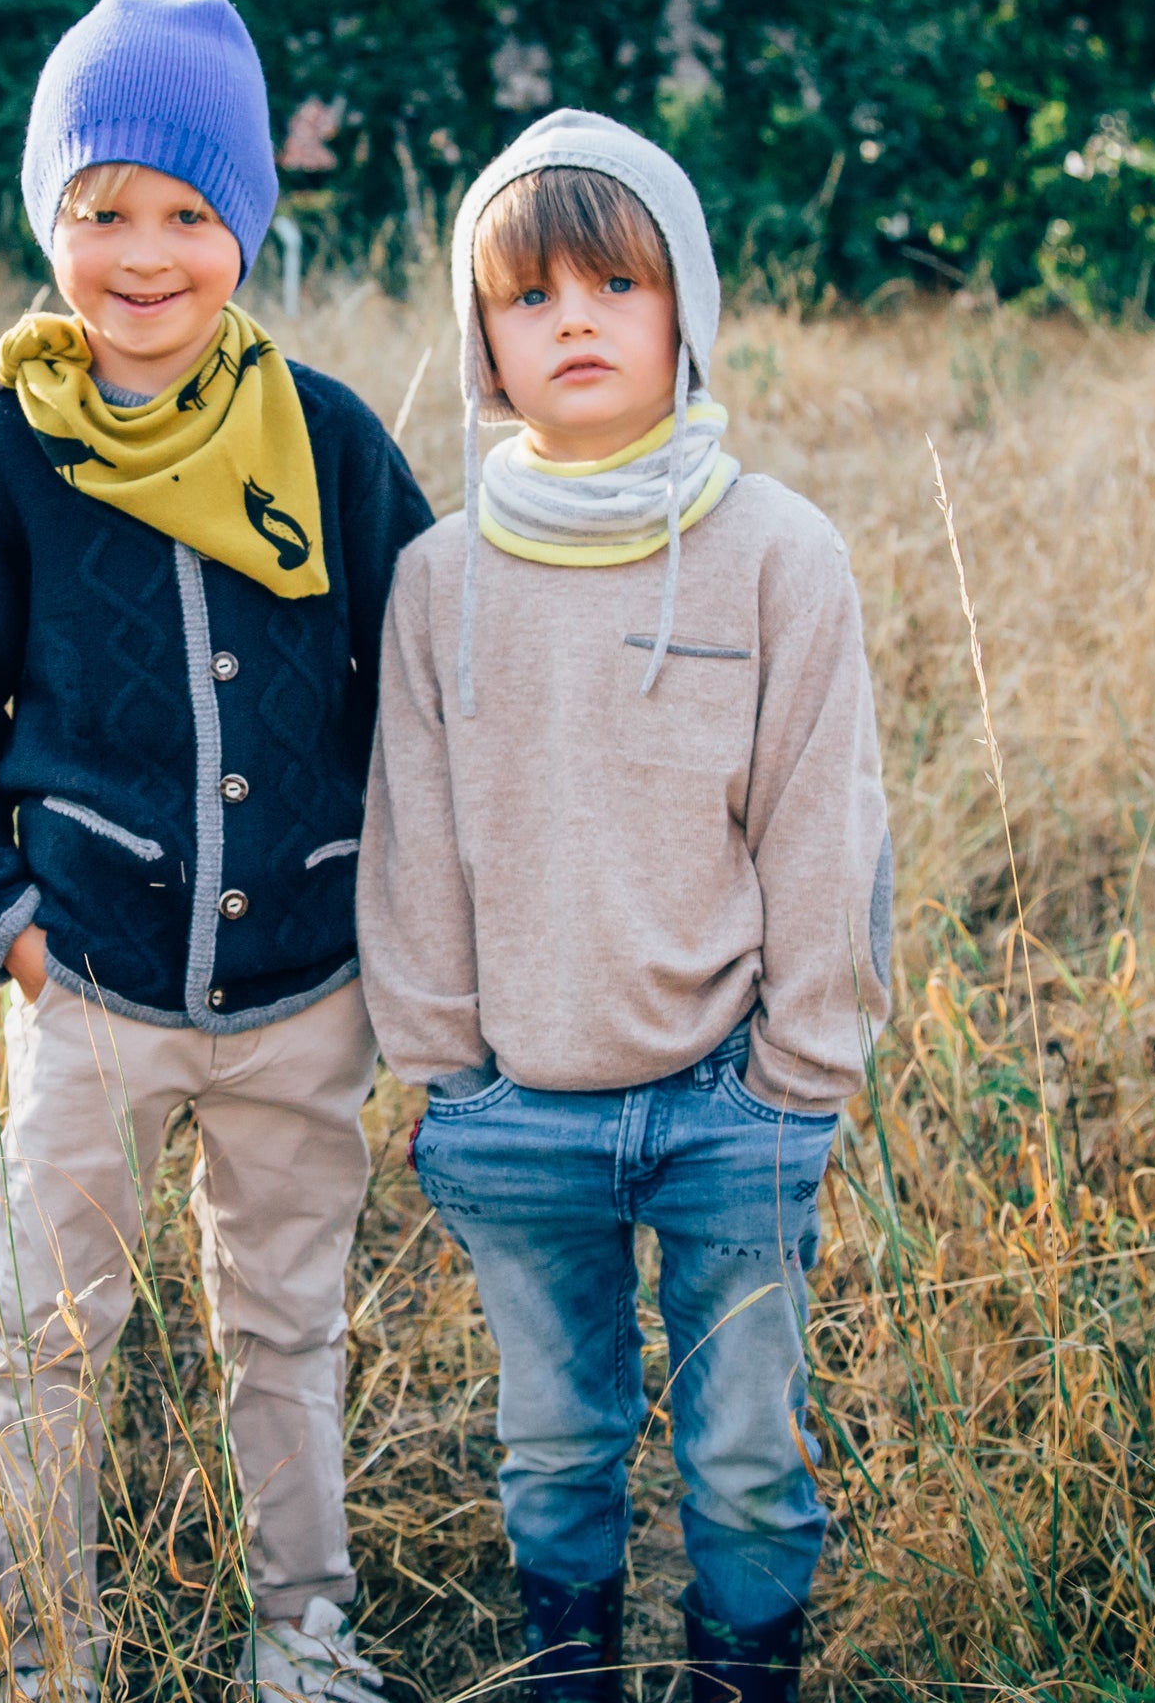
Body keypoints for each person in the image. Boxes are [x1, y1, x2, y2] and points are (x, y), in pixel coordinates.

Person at [0, 0, 432, 1703]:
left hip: (304, 994)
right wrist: (8, 914)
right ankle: (52, 1658)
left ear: (243, 226)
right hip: (93, 988)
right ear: (49, 219)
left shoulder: (325, 440)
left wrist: (393, 912)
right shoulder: (8, 450)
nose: (144, 254)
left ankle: (301, 1637)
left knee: (288, 1321)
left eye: (189, 212)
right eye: (102, 208)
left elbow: (423, 678)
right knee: (46, 1333)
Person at [356, 110, 892, 1703]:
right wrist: (448, 1070)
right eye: (529, 297)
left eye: (614, 284)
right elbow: (411, 840)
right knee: (555, 1441)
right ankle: (567, 1674)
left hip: (736, 1105)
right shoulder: (440, 579)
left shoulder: (779, 553)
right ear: (484, 341)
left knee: (744, 1454)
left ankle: (742, 1676)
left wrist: (803, 1073)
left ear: (685, 313)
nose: (573, 321)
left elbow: (825, 825)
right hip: (517, 1108)